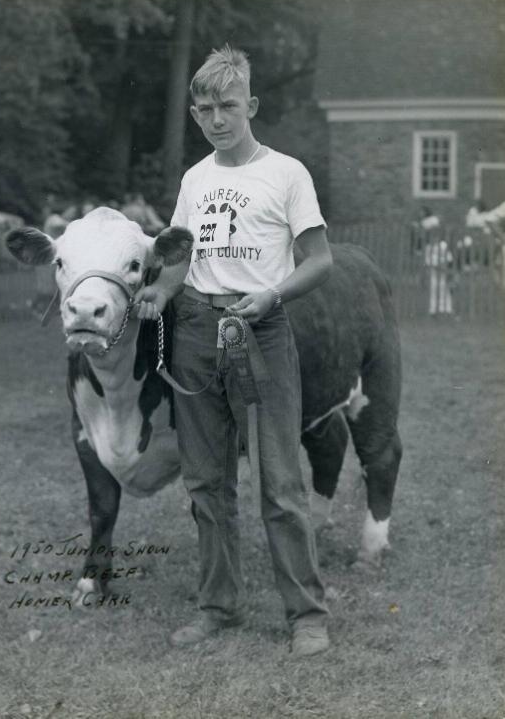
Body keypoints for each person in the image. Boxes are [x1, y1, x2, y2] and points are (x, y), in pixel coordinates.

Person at [136, 46, 332, 657]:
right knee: (205, 482)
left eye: (226, 106)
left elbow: (320, 260)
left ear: (250, 106)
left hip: (262, 330)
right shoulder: (196, 179)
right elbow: (181, 260)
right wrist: (157, 294)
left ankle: (305, 614)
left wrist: (271, 296)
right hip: (196, 328)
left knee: (280, 481)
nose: (216, 119)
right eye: (204, 110)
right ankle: (217, 607)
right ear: (195, 114)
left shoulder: (287, 173)